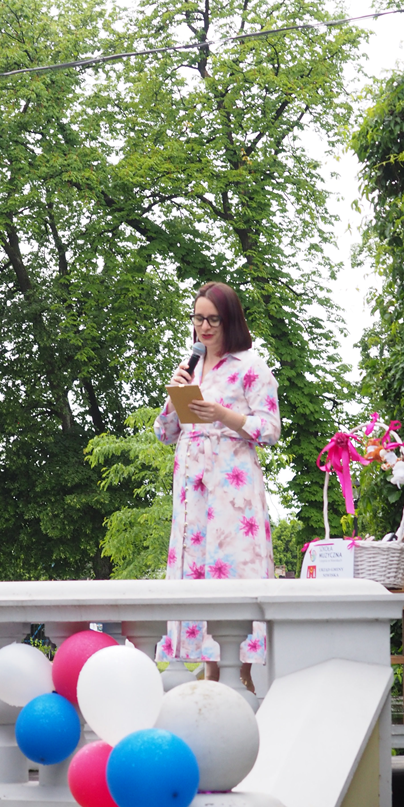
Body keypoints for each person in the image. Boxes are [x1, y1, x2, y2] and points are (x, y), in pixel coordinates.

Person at [154, 282, 281, 684]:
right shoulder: (190, 365)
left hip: (231, 487)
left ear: (230, 321)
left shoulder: (251, 367)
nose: (204, 327)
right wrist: (174, 396)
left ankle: (239, 674)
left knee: (232, 568)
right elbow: (164, 433)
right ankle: (209, 673)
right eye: (198, 318)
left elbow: (270, 429)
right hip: (192, 488)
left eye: (213, 319)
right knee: (196, 569)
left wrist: (222, 415)